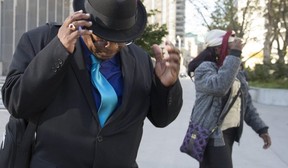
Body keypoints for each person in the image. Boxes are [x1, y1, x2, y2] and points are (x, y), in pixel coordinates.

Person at [1, 0, 183, 167]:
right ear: (83, 19)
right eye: (102, 39)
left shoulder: (140, 59)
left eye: (120, 41)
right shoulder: (41, 41)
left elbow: (161, 119)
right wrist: (58, 50)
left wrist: (165, 86)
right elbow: (17, 103)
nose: (111, 47)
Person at [187, 29, 271, 168]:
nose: (236, 50)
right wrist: (235, 56)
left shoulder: (234, 71)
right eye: (231, 47)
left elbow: (246, 105)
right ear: (218, 49)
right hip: (211, 133)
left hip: (230, 133)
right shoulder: (204, 69)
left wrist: (261, 129)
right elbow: (219, 87)